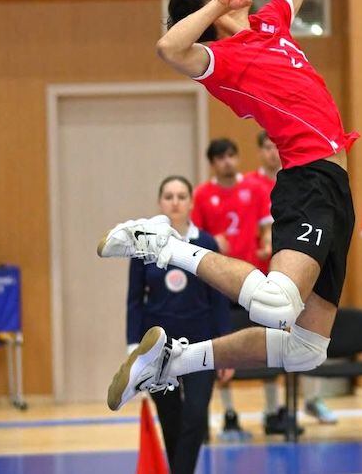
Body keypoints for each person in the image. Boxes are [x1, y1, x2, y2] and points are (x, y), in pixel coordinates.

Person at [100, 0, 359, 413]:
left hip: (337, 188)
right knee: (273, 304)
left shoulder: (272, 27)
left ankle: (175, 359)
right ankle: (163, 244)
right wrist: (213, 5)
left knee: (305, 349)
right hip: (308, 181)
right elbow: (168, 48)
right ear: (208, 10)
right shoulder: (223, 62)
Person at [127, 177, 231, 474]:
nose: (175, 202)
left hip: (202, 346)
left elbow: (219, 298)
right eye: (169, 196)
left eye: (181, 196)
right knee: (170, 418)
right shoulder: (144, 246)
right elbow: (134, 300)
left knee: (196, 415)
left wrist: (226, 346)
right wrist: (134, 348)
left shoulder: (206, 243)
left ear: (191, 203)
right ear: (160, 202)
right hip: (159, 350)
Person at [245, 129, 337, 427]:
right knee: (271, 337)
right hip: (268, 274)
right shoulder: (252, 186)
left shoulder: (303, 178)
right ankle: (273, 408)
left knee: (308, 335)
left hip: (305, 273)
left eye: (277, 146)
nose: (274, 152)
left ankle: (312, 399)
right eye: (267, 147)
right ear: (260, 151)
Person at [190, 138, 277, 438]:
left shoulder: (255, 189)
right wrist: (214, 243)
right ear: (212, 163)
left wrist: (267, 244)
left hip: (254, 277)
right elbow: (196, 236)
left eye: (231, 155)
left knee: (266, 341)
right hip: (219, 282)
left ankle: (272, 410)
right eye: (221, 158)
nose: (227, 162)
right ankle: (228, 413)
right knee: (223, 345)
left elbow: (266, 228)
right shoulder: (202, 194)